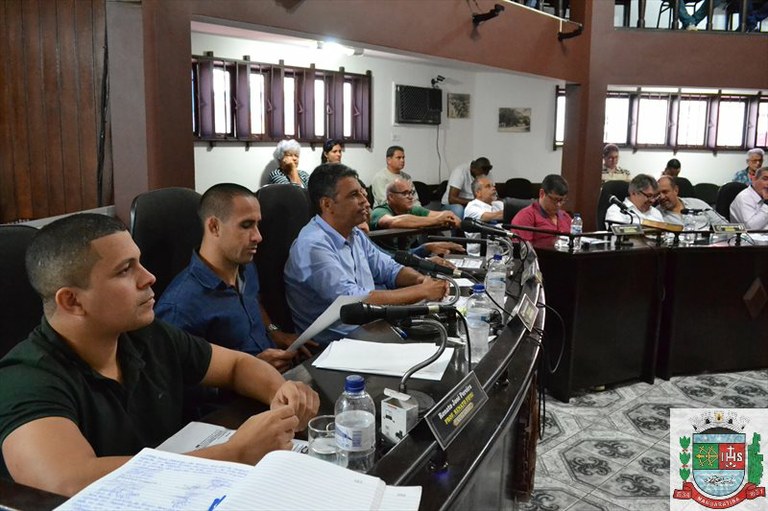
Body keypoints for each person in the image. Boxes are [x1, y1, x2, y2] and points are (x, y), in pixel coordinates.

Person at [0, 214, 319, 496]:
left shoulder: (145, 335)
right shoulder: (25, 379)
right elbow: (67, 481)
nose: (148, 277)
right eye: (125, 270)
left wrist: (281, 392)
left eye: (139, 262)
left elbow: (236, 365)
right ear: (72, 301)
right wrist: (234, 453)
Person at [284, 164, 448, 344]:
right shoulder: (313, 245)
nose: (366, 202)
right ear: (327, 204)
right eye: (354, 195)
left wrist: (420, 280)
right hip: (335, 342)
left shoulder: (354, 234)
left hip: (370, 326)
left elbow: (390, 270)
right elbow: (353, 300)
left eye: (363, 193)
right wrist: (422, 291)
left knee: (444, 331)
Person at [156, 184, 309, 374]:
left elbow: (252, 300)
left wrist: (275, 332)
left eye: (257, 225)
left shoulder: (245, 266)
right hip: (240, 390)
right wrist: (248, 371)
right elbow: (174, 380)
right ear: (214, 227)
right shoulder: (180, 306)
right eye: (246, 225)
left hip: (277, 374)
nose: (258, 237)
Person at [369, 178, 463, 257]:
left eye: (411, 193)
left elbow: (441, 215)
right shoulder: (379, 211)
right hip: (385, 261)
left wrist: (450, 215)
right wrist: (436, 220)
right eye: (405, 193)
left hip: (406, 256)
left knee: (432, 248)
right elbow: (393, 222)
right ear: (390, 197)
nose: (410, 197)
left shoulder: (414, 210)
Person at [510, 174, 573, 243]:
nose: (558, 205)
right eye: (555, 200)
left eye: (562, 200)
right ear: (542, 193)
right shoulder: (525, 217)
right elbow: (524, 247)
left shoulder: (566, 217)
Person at [656, 175, 727, 229]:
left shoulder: (698, 204)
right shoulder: (656, 215)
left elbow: (724, 226)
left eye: (665, 192)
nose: (661, 197)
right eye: (658, 194)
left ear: (676, 190)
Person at [463, 176, 505, 255]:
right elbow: (488, 217)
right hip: (478, 256)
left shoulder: (498, 204)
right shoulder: (472, 206)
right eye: (488, 186)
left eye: (493, 186)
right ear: (478, 192)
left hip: (500, 253)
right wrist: (510, 212)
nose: (493, 188)